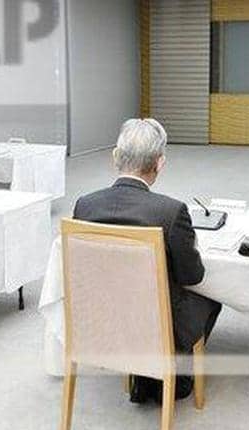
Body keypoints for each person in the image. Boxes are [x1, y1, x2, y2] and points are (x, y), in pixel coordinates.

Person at [73, 118, 222, 404]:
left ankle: (143, 374)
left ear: (115, 157)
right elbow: (192, 276)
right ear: (159, 162)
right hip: (155, 324)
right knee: (211, 298)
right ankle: (175, 375)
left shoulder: (85, 205)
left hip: (101, 319)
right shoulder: (171, 211)